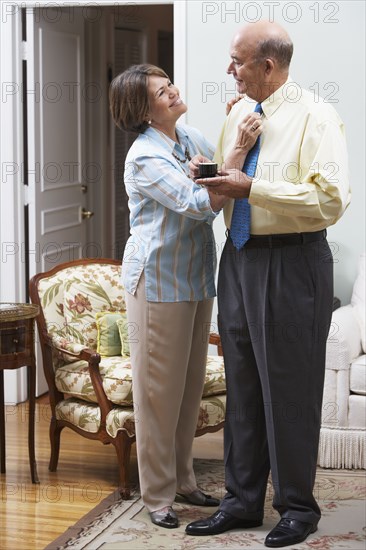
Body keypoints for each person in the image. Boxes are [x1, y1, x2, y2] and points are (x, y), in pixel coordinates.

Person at [185, 21, 350, 548]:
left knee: (290, 391)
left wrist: (252, 187)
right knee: (245, 388)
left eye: (236, 62)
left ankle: (298, 508)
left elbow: (330, 200)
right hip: (238, 258)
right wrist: (211, 172)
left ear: (268, 66)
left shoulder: (317, 115)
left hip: (292, 263)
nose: (228, 71)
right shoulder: (237, 111)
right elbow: (229, 179)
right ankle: (241, 502)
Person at [109, 64, 259, 529]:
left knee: (189, 387)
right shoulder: (144, 157)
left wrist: (234, 121)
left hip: (194, 278)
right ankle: (157, 495)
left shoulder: (189, 137)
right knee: (159, 394)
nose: (173, 90)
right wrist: (236, 147)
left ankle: (184, 479)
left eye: (169, 82)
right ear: (144, 110)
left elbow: (220, 166)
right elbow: (200, 205)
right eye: (161, 90)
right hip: (157, 283)